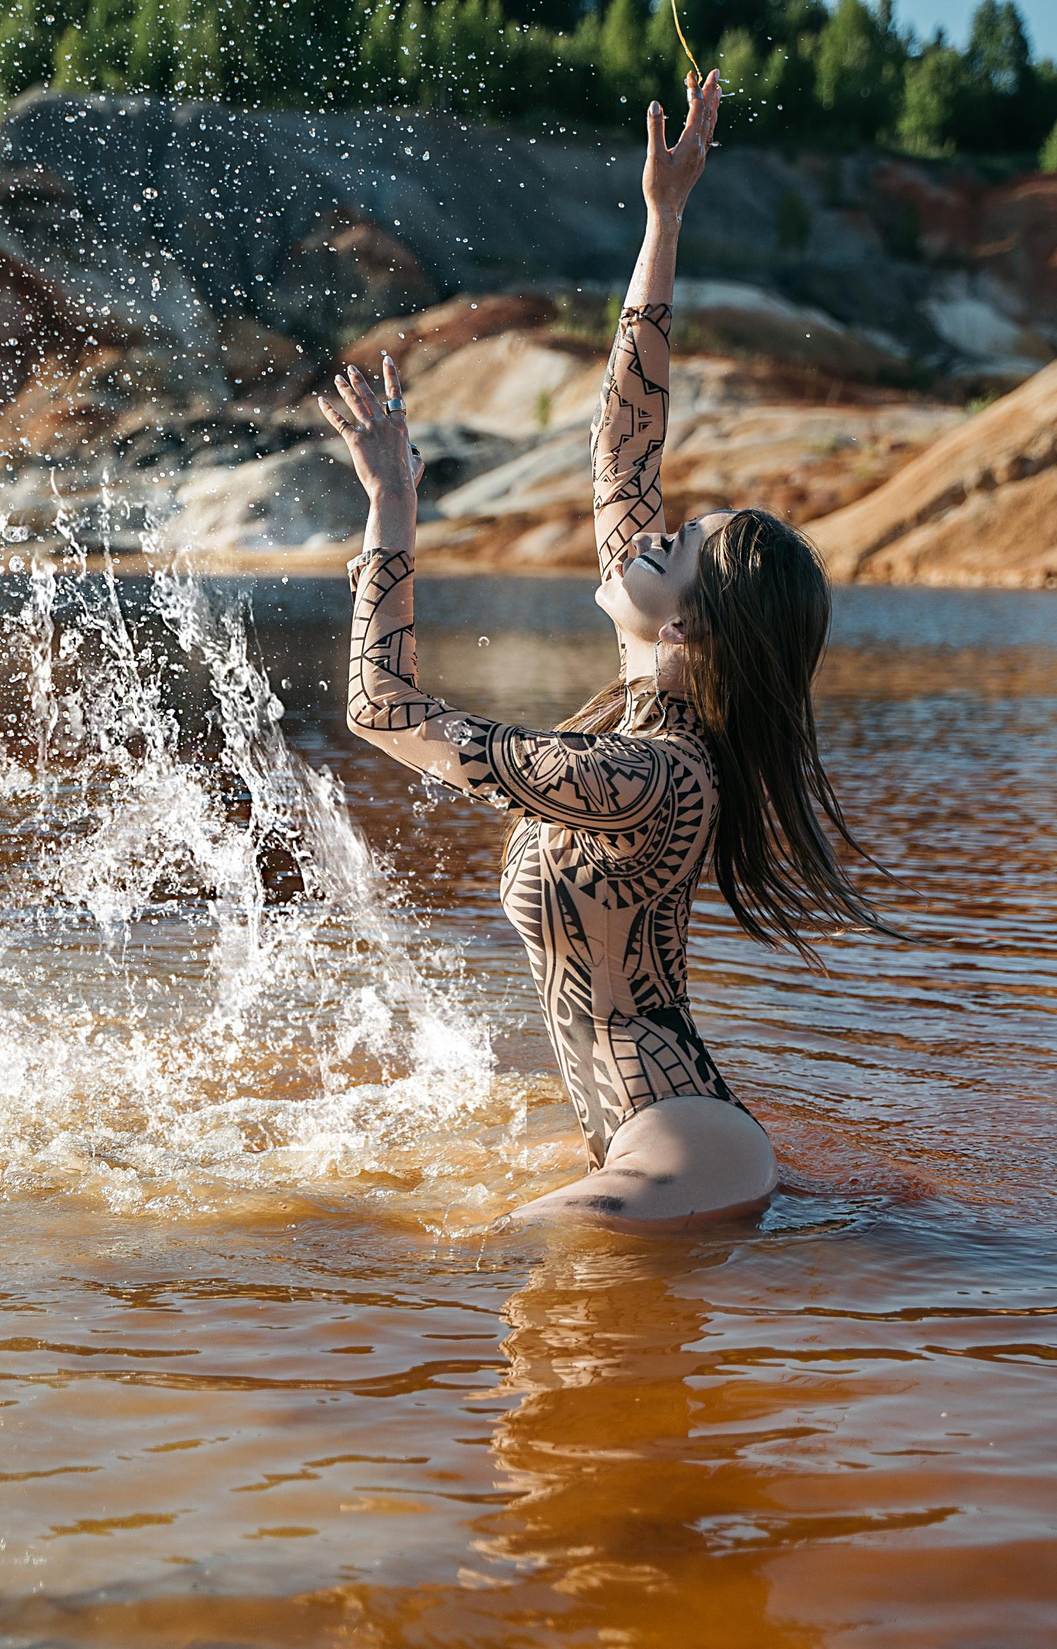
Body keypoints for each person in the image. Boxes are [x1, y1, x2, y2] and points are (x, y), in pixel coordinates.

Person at [317, 69, 892, 1231]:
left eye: (668, 548)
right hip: (668, 1138)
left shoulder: (646, 777)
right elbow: (624, 446)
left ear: (681, 626)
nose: (642, 531)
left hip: (685, 1145)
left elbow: (381, 709)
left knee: (436, 1263)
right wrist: (663, 219)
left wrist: (392, 518)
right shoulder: (636, 722)